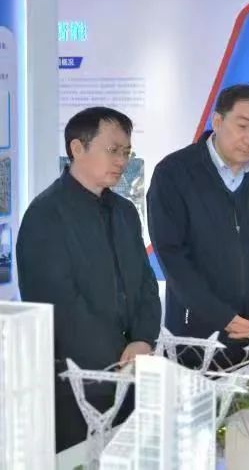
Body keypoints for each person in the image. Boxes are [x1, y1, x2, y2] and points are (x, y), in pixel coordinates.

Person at [17, 107, 161, 451]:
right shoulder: (45, 215)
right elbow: (59, 306)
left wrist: (143, 340)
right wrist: (116, 360)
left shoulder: (125, 211)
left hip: (133, 372)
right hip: (79, 383)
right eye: (113, 150)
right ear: (77, 148)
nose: (121, 161)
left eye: (126, 152)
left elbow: (146, 283)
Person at [148, 84, 249, 366]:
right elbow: (172, 255)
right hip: (197, 331)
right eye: (242, 126)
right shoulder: (174, 173)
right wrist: (221, 315)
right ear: (217, 121)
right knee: (196, 395)